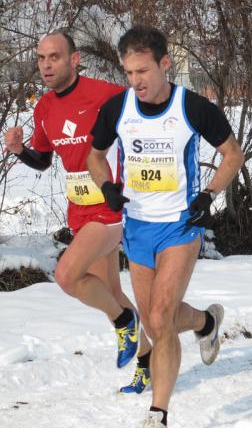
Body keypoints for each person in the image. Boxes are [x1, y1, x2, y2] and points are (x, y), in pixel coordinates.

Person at [87, 25, 244, 428]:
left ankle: (158, 415)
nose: (135, 81)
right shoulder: (117, 109)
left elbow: (233, 154)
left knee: (157, 317)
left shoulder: (191, 107)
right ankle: (207, 324)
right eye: (129, 73)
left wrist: (209, 195)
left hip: (180, 225)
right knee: (160, 323)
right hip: (137, 227)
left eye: (143, 71)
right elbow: (95, 156)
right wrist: (107, 188)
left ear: (164, 63)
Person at [3, 30, 152, 394]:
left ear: (74, 60)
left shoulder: (106, 94)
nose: (46, 65)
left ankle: (125, 322)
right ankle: (147, 360)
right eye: (41, 59)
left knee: (68, 276)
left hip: (111, 207)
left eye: (54, 57)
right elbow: (42, 160)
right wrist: (20, 149)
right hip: (79, 209)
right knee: (109, 292)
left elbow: (146, 118)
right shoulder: (44, 108)